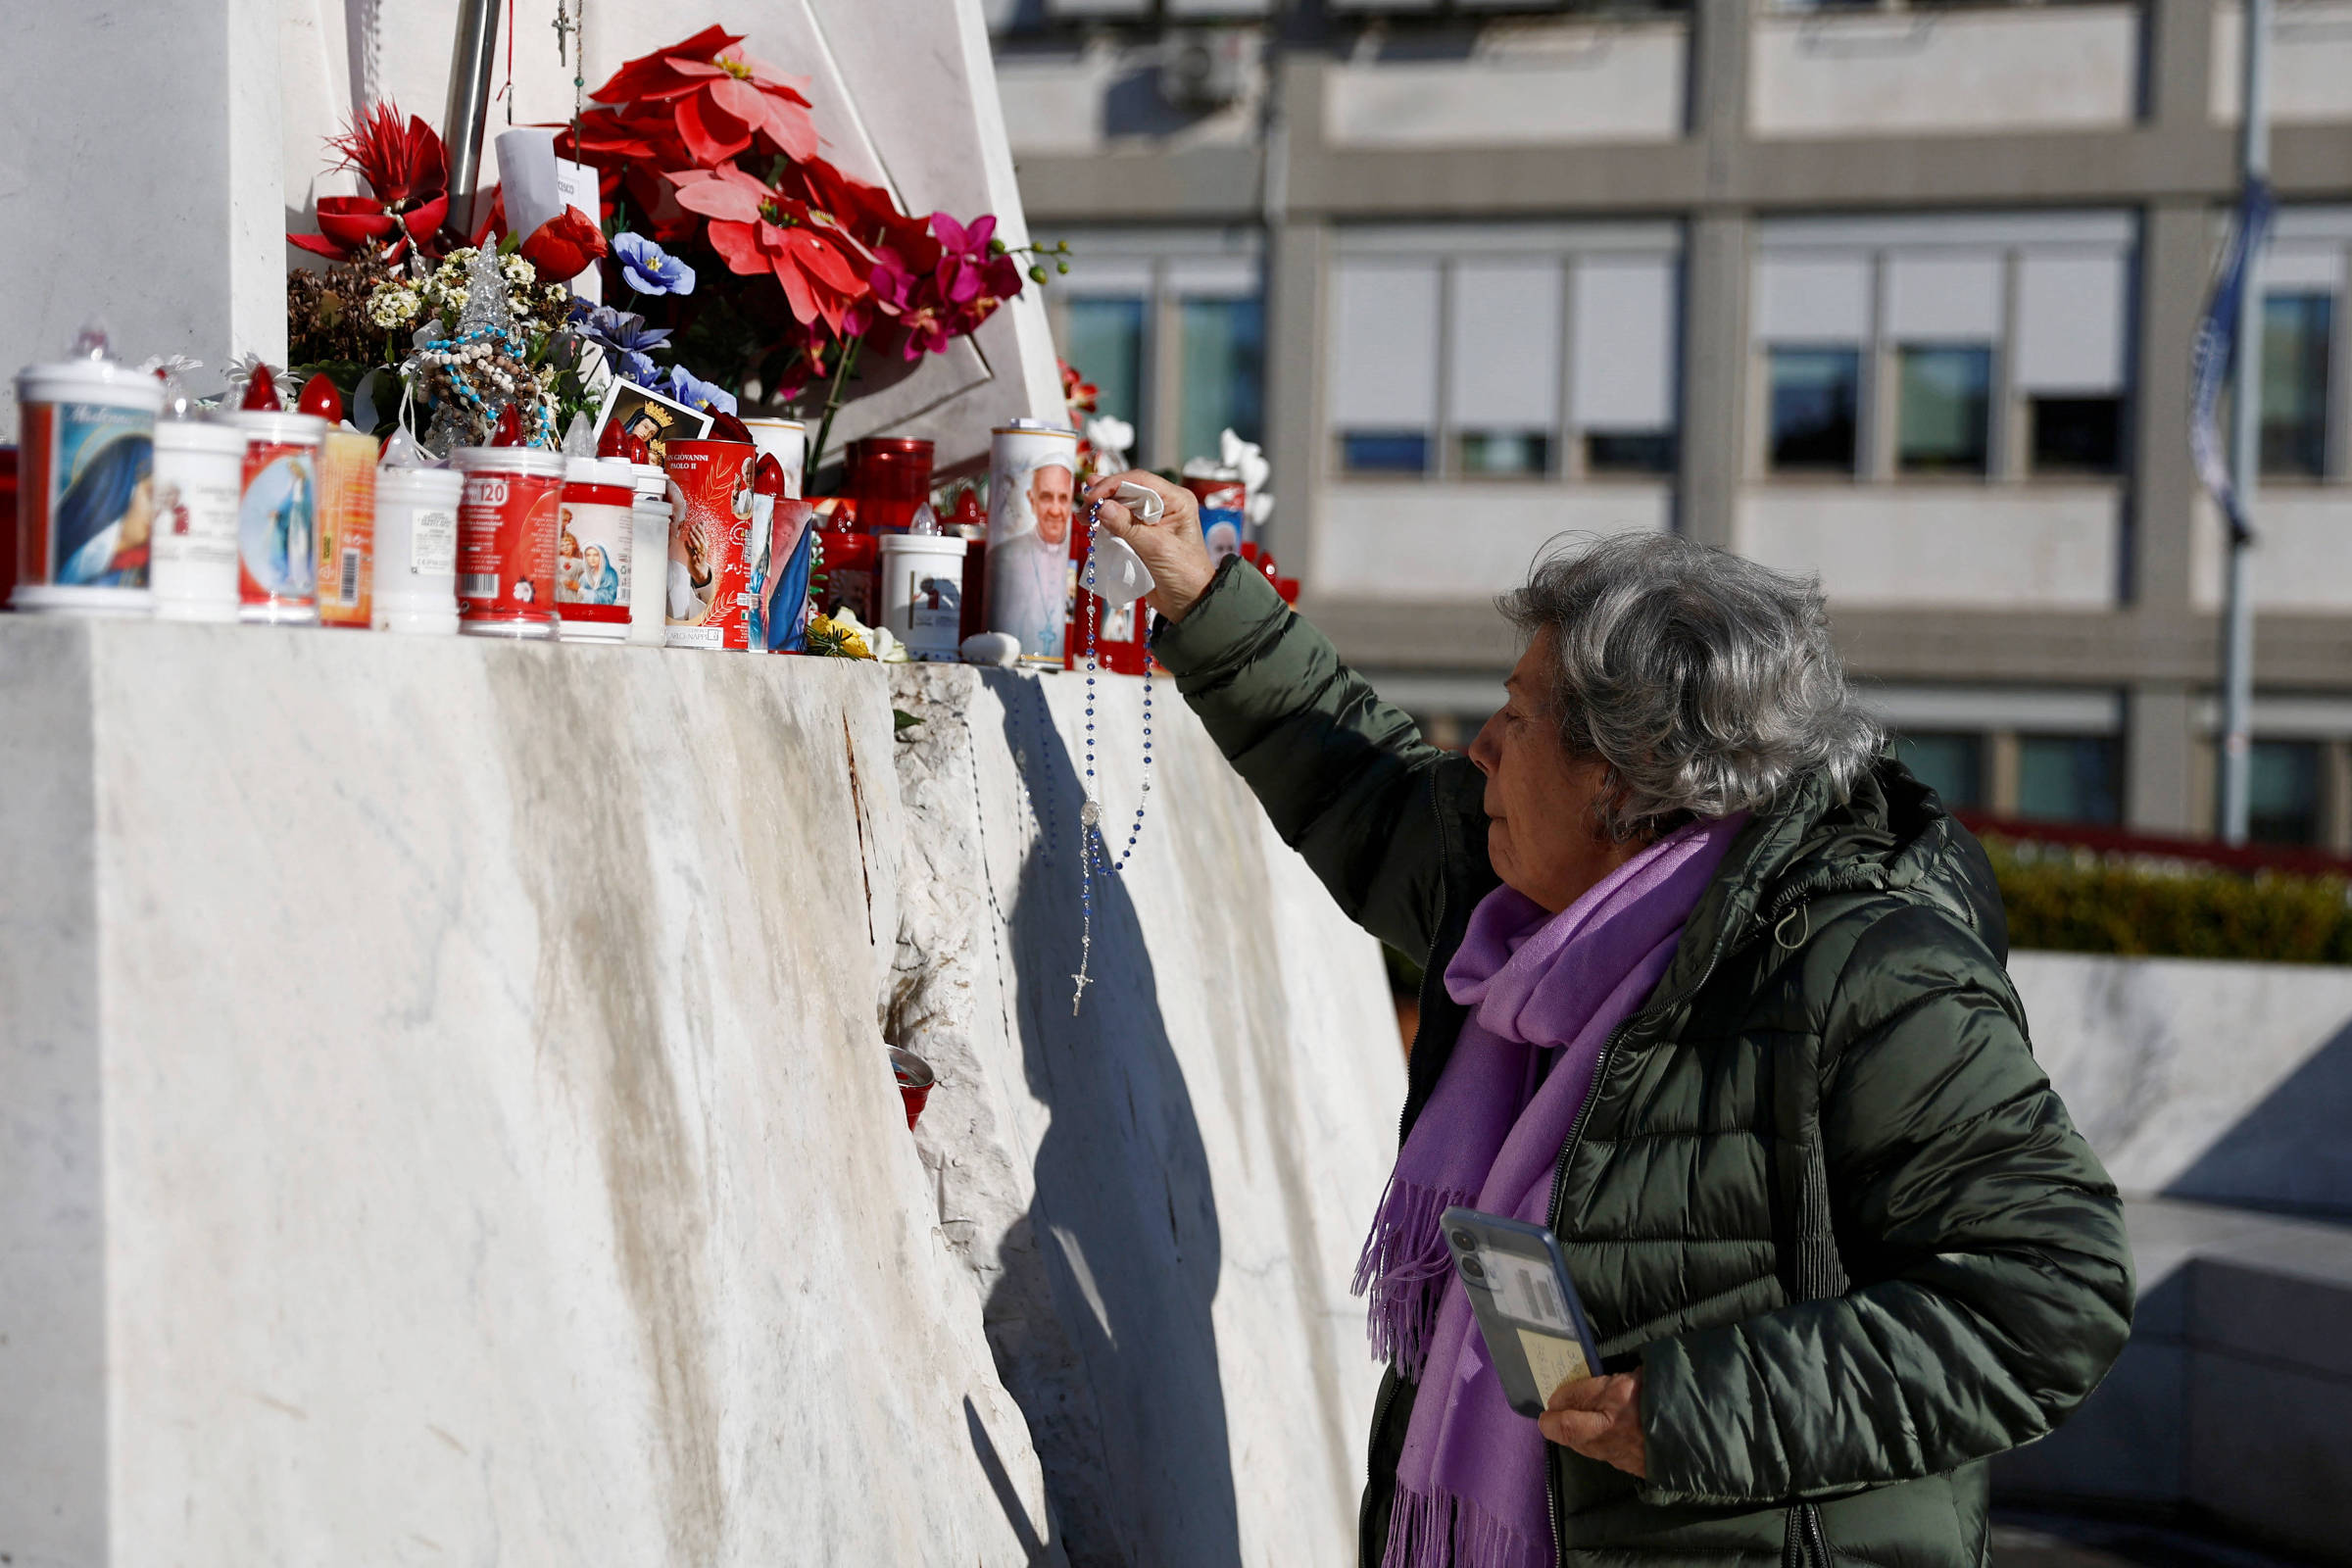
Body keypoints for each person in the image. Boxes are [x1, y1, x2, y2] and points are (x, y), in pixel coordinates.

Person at [1083, 471, 2133, 1568]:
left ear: (1629, 776)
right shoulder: (1523, 902)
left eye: (1519, 717)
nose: (1481, 747)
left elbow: (2051, 1293)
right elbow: (1361, 782)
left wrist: (1702, 1411)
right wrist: (1203, 595)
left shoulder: (1865, 969)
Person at [55, 434, 157, 587]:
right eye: (151, 496)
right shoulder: (74, 558)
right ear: (121, 490)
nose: (157, 512)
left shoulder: (146, 569)